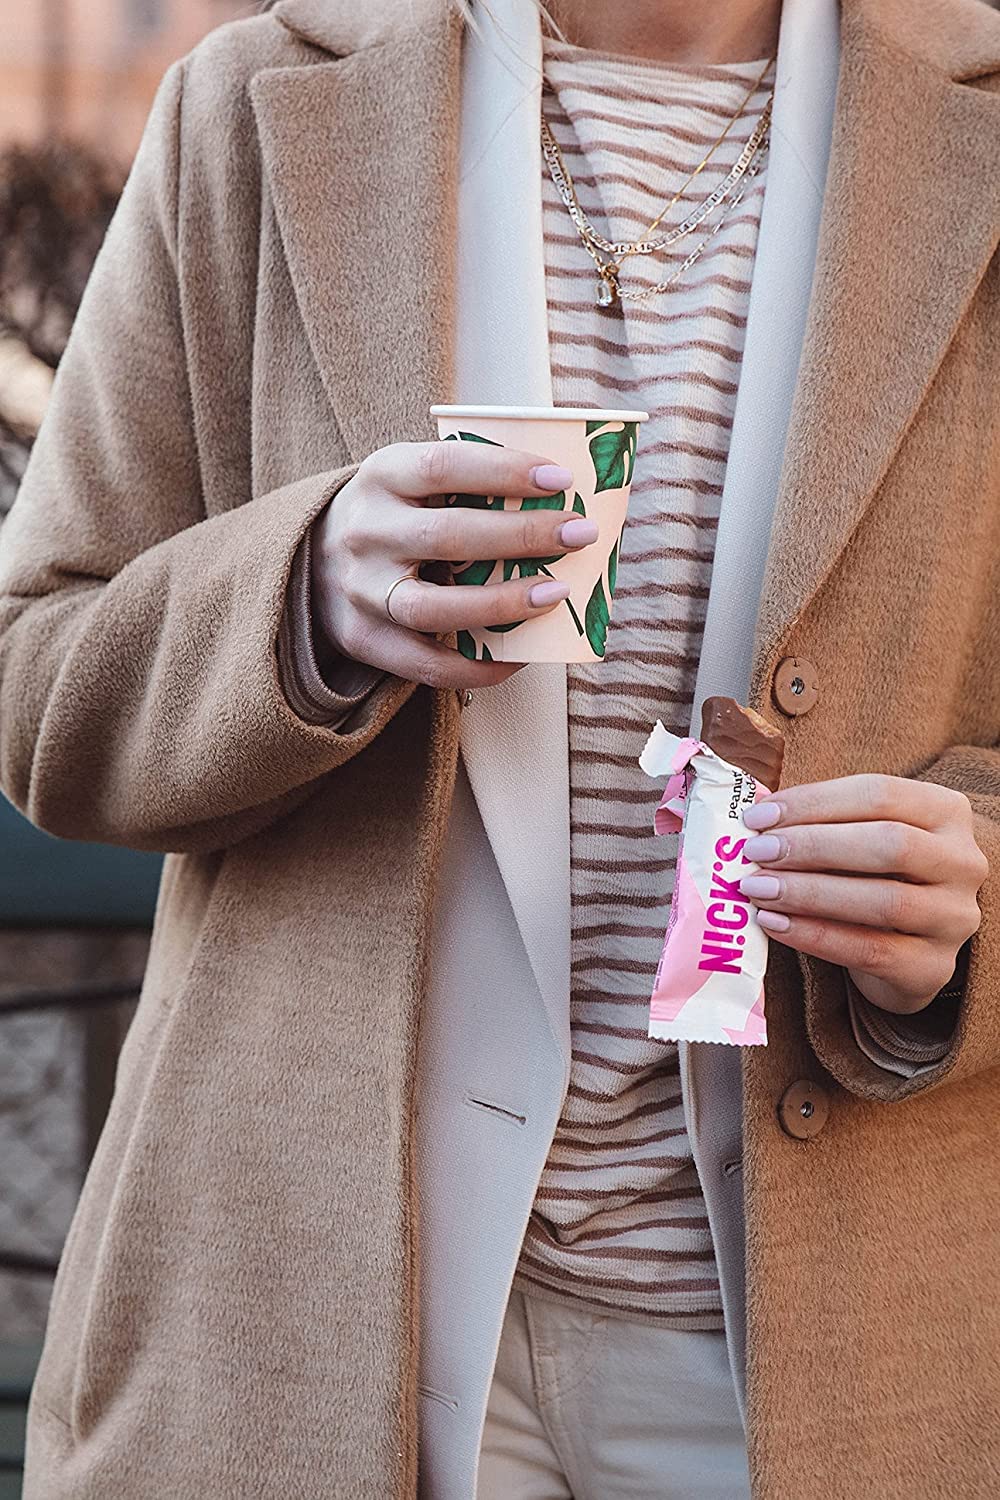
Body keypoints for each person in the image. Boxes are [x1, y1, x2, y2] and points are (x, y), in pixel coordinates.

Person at [0, 0, 996, 1494]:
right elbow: (37, 686)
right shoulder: (259, 98)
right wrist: (302, 597)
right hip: (317, 1325)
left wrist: (966, 919)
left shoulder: (969, 121)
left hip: (833, 1351)